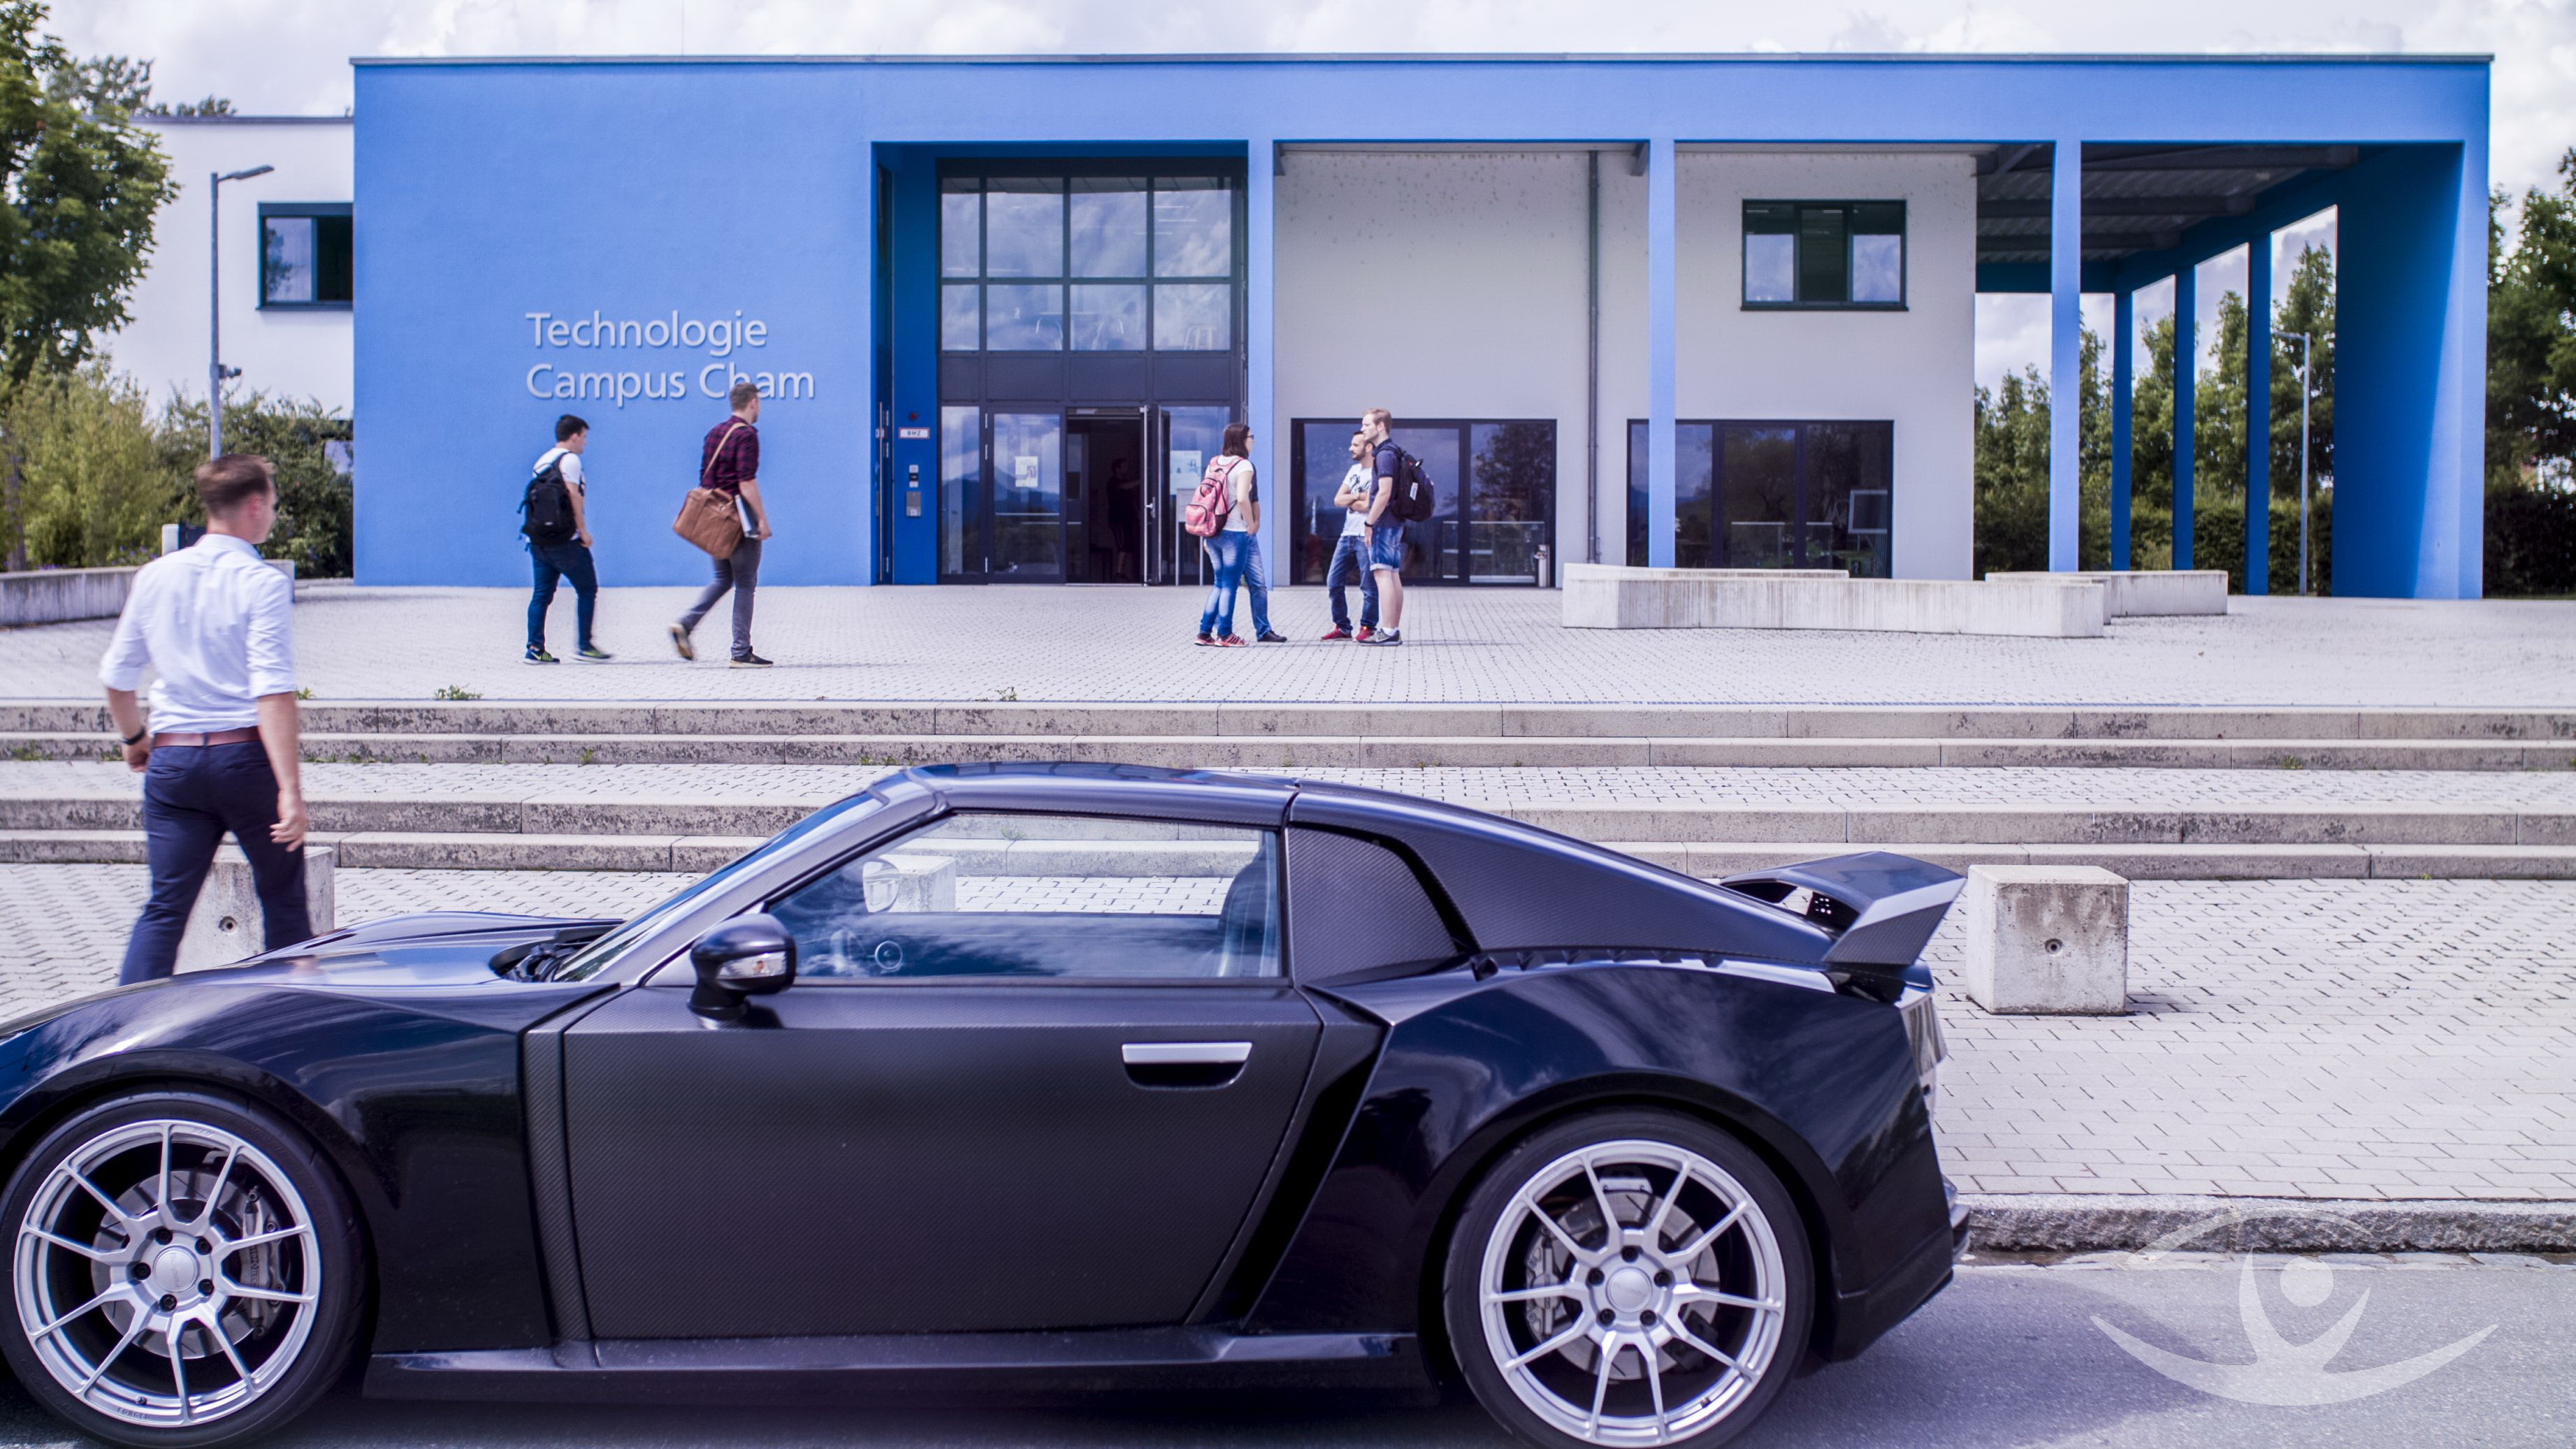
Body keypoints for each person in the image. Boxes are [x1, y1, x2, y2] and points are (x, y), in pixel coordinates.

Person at [100, 454, 312, 985]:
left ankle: (126, 1035)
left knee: (165, 909)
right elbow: (273, 693)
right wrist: (290, 789)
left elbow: (117, 677)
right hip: (244, 759)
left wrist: (134, 739)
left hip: (172, 760)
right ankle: (292, 1022)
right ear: (255, 506)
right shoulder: (260, 582)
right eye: (274, 504)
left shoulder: (154, 576)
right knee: (283, 897)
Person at [673, 381, 772, 667]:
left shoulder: (714, 432)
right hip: (738, 519)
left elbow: (706, 477)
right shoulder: (747, 435)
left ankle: (686, 625)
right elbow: (746, 481)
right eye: (759, 402)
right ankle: (741, 652)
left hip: (714, 521)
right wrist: (762, 520)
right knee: (745, 583)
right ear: (753, 402)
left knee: (723, 579)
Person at [524, 413, 609, 663]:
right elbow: (574, 497)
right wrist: (583, 531)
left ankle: (534, 648)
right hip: (565, 541)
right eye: (583, 437)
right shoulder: (570, 460)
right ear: (573, 436)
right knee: (587, 588)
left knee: (541, 594)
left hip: (538, 540)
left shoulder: (542, 461)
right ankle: (584, 645)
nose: (585, 442)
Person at [1194, 422, 1284, 646]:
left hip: (1213, 532)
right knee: (1229, 586)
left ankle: (1204, 634)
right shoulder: (1244, 466)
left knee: (1219, 583)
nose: (1253, 440)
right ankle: (1225, 634)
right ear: (1241, 440)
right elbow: (1244, 498)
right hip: (1235, 533)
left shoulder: (1213, 463)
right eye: (1251, 437)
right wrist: (1251, 524)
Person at [1320, 429, 1380, 641]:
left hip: (1366, 536)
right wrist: (1358, 496)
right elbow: (1338, 499)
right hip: (1346, 536)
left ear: (1369, 447)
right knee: (1333, 582)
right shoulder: (1354, 470)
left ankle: (1368, 627)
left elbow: (1370, 505)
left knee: (1368, 585)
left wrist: (1354, 501)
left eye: (1355, 445)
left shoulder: (1378, 473)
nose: (1350, 448)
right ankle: (1342, 627)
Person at [1359, 407, 1407, 646]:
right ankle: (1393, 628)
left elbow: (1384, 492)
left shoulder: (1385, 455)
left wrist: (1369, 522)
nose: (1363, 428)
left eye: (1367, 424)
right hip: (1394, 521)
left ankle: (1388, 630)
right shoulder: (1394, 453)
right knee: (1392, 573)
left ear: (1381, 426)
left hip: (1384, 522)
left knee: (1382, 574)